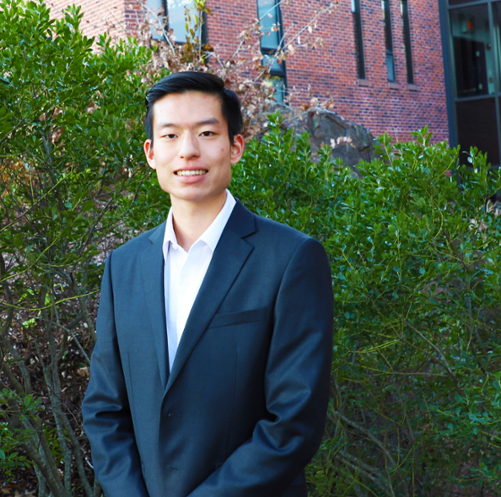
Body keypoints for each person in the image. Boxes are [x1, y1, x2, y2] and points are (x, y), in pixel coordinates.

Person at [81, 71, 334, 497]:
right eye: (171, 136)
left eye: (205, 132)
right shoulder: (123, 266)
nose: (188, 151)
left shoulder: (290, 258)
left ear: (235, 146)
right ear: (150, 152)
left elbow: (294, 420)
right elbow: (105, 407)